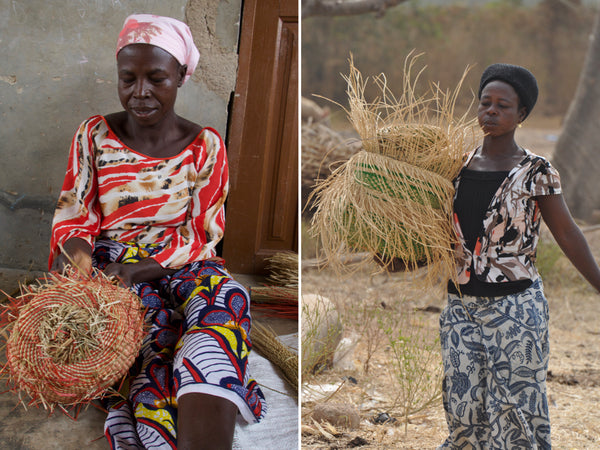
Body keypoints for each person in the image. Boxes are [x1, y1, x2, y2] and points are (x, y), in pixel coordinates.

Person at [49, 14, 265, 450]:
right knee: (151, 339)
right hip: (115, 265)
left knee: (222, 307)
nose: (140, 92)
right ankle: (162, 426)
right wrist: (83, 266)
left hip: (182, 260)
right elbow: (75, 211)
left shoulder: (205, 147)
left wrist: (144, 270)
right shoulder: (94, 135)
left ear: (182, 76)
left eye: (157, 79)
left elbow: (203, 234)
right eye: (127, 79)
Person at [438, 63, 600, 449]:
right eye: (485, 103)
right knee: (463, 408)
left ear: (522, 114)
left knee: (515, 412)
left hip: (515, 310)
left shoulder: (536, 172)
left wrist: (598, 283)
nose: (491, 112)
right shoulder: (453, 167)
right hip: (460, 307)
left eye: (503, 106)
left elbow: (566, 232)